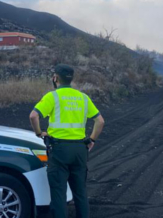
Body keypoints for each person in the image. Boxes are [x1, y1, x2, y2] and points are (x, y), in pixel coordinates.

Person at [29, 64, 105, 218]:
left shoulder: (52, 96)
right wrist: (92, 140)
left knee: (58, 194)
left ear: (55, 78)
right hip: (79, 150)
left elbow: (33, 116)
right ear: (71, 79)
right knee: (80, 193)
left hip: (59, 150)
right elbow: (100, 121)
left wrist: (39, 133)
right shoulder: (83, 97)